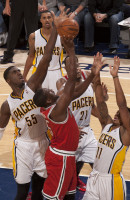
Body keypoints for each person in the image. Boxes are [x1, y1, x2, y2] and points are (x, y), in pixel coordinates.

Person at [0, 13, 60, 200]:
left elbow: (46, 58)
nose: (19, 73)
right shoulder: (7, 105)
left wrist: (56, 31)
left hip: (43, 142)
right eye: (15, 72)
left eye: (19, 71)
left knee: (38, 191)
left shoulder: (33, 86)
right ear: (8, 80)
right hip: (23, 147)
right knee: (21, 191)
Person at [33, 48, 104, 199]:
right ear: (48, 100)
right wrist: (70, 47)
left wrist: (92, 74)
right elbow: (71, 86)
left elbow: (77, 93)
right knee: (54, 196)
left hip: (68, 153)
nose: (51, 90)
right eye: (48, 91)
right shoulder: (57, 109)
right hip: (61, 157)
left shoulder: (55, 105)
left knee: (70, 194)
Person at [83, 56, 130, 200]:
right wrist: (96, 75)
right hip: (94, 177)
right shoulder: (107, 124)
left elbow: (122, 105)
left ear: (128, 120)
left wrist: (115, 77)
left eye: (121, 115)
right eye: (116, 113)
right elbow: (100, 100)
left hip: (111, 181)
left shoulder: (126, 133)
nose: (117, 114)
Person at [56, 57, 107, 192]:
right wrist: (92, 76)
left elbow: (91, 105)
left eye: (77, 63)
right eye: (71, 65)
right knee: (72, 167)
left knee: (98, 163)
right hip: (70, 133)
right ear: (66, 68)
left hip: (87, 131)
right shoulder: (62, 82)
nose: (76, 67)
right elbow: (65, 95)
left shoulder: (86, 78)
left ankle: (103, 189)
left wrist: (104, 117)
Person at [23, 10, 63, 93]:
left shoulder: (61, 35)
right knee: (38, 101)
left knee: (57, 101)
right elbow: (31, 56)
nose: (47, 20)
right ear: (40, 20)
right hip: (39, 72)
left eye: (49, 17)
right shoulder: (33, 36)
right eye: (44, 18)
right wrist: (24, 76)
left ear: (52, 19)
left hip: (55, 72)